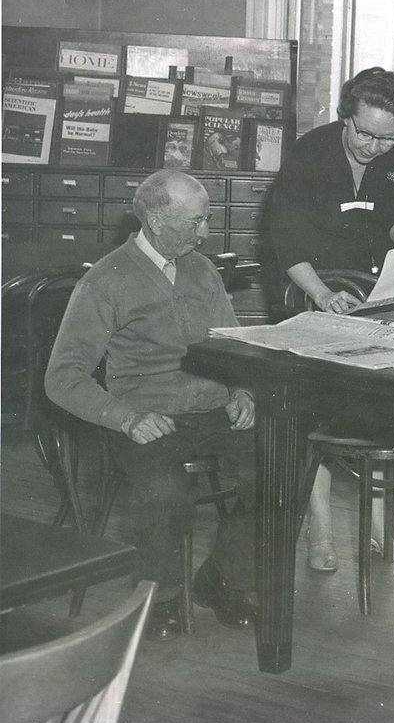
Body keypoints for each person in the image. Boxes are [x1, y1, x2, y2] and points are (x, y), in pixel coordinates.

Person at [45, 170, 259, 641]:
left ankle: (224, 578)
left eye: (206, 220)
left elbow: (235, 344)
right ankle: (159, 596)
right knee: (165, 490)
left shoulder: (201, 269)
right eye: (196, 222)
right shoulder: (107, 280)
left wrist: (242, 390)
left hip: (212, 409)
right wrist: (126, 418)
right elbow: (62, 377)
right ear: (157, 220)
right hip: (146, 418)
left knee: (284, 466)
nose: (205, 232)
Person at [269, 66, 394, 572]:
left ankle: (382, 524)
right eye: (365, 133)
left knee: (386, 407)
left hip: (374, 292)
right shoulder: (309, 153)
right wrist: (321, 294)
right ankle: (320, 532)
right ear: (345, 117)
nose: (375, 146)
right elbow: (286, 239)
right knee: (315, 414)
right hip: (308, 286)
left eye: (388, 137)